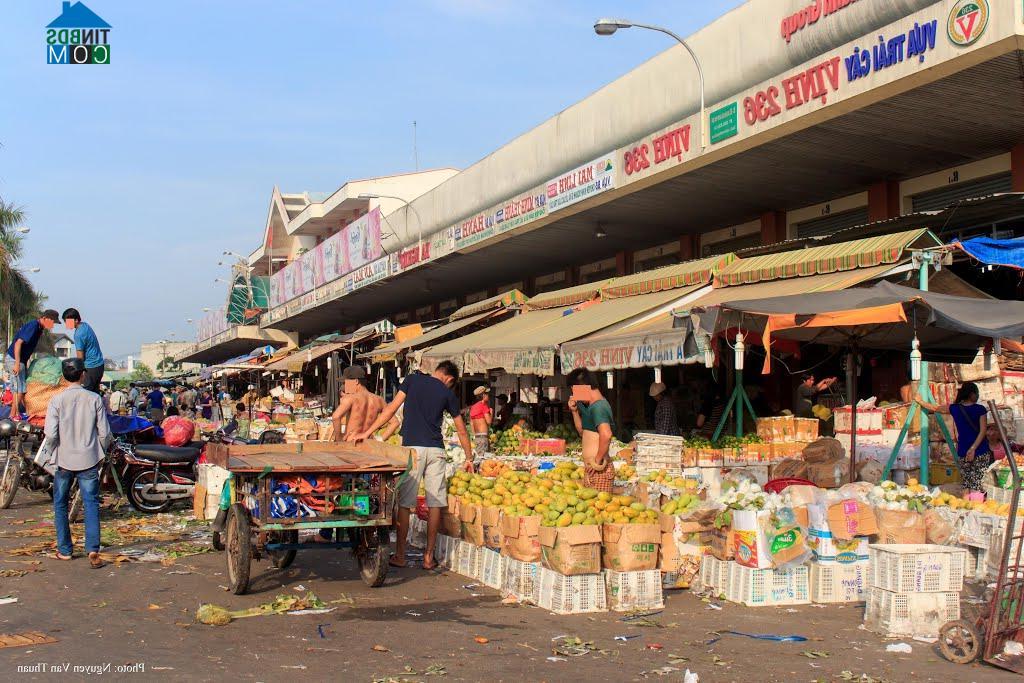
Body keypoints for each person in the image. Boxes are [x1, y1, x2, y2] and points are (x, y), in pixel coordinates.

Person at [353, 361, 473, 570]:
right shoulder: (448, 395)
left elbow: (391, 409)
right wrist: (470, 457)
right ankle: (428, 557)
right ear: (450, 379)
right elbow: (461, 430)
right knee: (435, 503)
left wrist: (368, 431)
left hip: (412, 451)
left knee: (406, 505)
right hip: (436, 450)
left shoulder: (412, 380)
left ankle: (400, 555)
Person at [46, 357, 111, 568]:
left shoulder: (56, 400)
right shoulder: (94, 399)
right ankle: (93, 549)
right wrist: (100, 453)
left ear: (64, 377)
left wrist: (55, 449)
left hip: (64, 460)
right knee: (91, 504)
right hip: (89, 459)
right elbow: (105, 434)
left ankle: (65, 550)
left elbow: (51, 434)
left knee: (60, 504)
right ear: (83, 374)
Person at [917, 382, 992, 492]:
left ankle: (966, 504)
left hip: (963, 451)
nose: (978, 396)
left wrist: (920, 401)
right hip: (980, 451)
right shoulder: (980, 409)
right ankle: (975, 506)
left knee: (966, 484)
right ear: (971, 394)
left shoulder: (955, 408)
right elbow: (983, 431)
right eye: (977, 393)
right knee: (977, 484)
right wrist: (973, 449)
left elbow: (935, 408)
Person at [5, 309, 59, 420]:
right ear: (45, 318)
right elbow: (18, 344)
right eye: (52, 322)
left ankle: (15, 413)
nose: (53, 325)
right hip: (15, 359)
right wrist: (17, 363)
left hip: (21, 361)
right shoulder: (33, 326)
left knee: (21, 389)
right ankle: (13, 415)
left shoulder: (39, 329)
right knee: (19, 389)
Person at [566, 368, 615, 493]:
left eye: (574, 390)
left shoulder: (599, 407)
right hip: (592, 469)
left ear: (582, 386)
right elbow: (583, 432)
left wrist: (596, 462)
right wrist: (575, 411)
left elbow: (606, 435)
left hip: (599, 470)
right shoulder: (590, 407)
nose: (574, 395)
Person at [331, 366, 395, 442]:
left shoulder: (350, 398)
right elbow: (395, 422)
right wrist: (380, 439)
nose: (345, 386)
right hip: (368, 444)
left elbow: (335, 417)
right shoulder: (379, 399)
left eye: (345, 382)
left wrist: (339, 439)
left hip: (352, 443)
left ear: (356, 381)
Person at [61, 309, 104, 393]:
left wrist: (77, 371)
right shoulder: (85, 326)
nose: (66, 324)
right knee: (94, 394)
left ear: (76, 320)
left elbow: (80, 358)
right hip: (99, 366)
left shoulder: (78, 334)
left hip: (90, 368)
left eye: (68, 322)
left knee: (85, 394)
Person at [469, 385, 493, 454]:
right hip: (483, 437)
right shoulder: (484, 405)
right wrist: (491, 412)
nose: (488, 396)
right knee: (483, 460)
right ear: (483, 395)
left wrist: (475, 436)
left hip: (477, 437)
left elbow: (471, 423)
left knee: (479, 457)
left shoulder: (473, 407)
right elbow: (489, 421)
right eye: (487, 394)